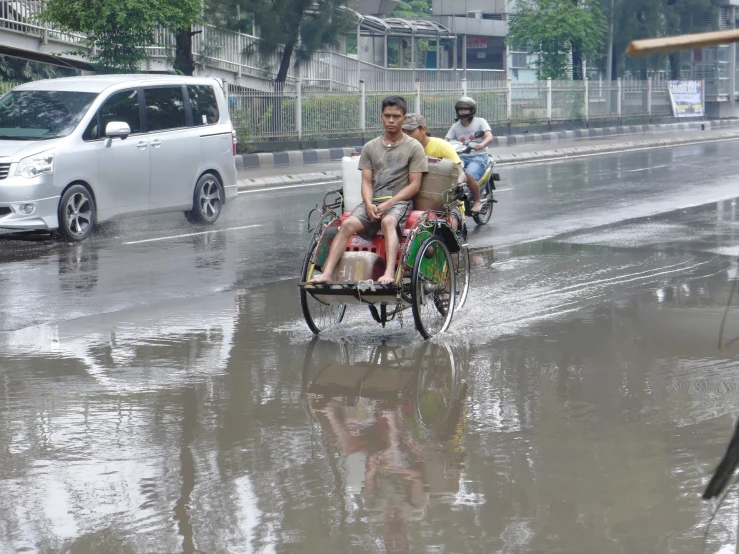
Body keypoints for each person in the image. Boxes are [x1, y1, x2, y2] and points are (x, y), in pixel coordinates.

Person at [311, 96, 428, 286]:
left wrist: (388, 204)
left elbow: (414, 185)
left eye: (396, 116)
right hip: (372, 202)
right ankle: (327, 273)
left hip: (398, 201)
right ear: (381, 117)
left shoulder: (414, 147)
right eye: (387, 116)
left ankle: (389, 272)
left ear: (404, 119)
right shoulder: (370, 147)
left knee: (389, 222)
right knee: (347, 224)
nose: (391, 120)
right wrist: (368, 204)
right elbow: (366, 181)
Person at [402, 113, 466, 229]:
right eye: (404, 132)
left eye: (410, 132)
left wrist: (457, 185)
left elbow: (460, 172)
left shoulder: (442, 146)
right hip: (414, 200)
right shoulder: (402, 150)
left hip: (445, 203)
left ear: (423, 129)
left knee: (450, 223)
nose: (407, 136)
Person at [444, 96, 493, 214]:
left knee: (469, 175)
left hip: (478, 156)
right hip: (461, 156)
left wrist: (481, 144)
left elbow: (489, 136)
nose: (462, 112)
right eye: (460, 109)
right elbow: (446, 140)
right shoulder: (456, 126)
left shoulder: (480, 121)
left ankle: (477, 201)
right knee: (447, 173)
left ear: (472, 110)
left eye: (465, 109)